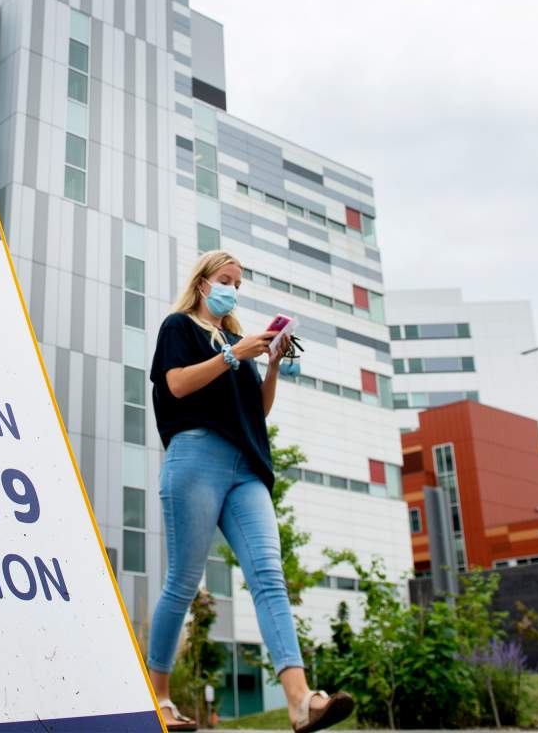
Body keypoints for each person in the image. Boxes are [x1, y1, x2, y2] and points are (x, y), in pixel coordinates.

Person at [145, 250, 354, 733]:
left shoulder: (237, 341)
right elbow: (176, 385)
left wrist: (272, 365)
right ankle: (159, 697)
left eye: (238, 285)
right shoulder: (179, 328)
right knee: (183, 581)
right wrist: (233, 355)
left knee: (269, 575)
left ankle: (300, 701)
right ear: (203, 283)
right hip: (196, 456)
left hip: (246, 467)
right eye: (226, 280)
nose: (232, 291)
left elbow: (256, 412)